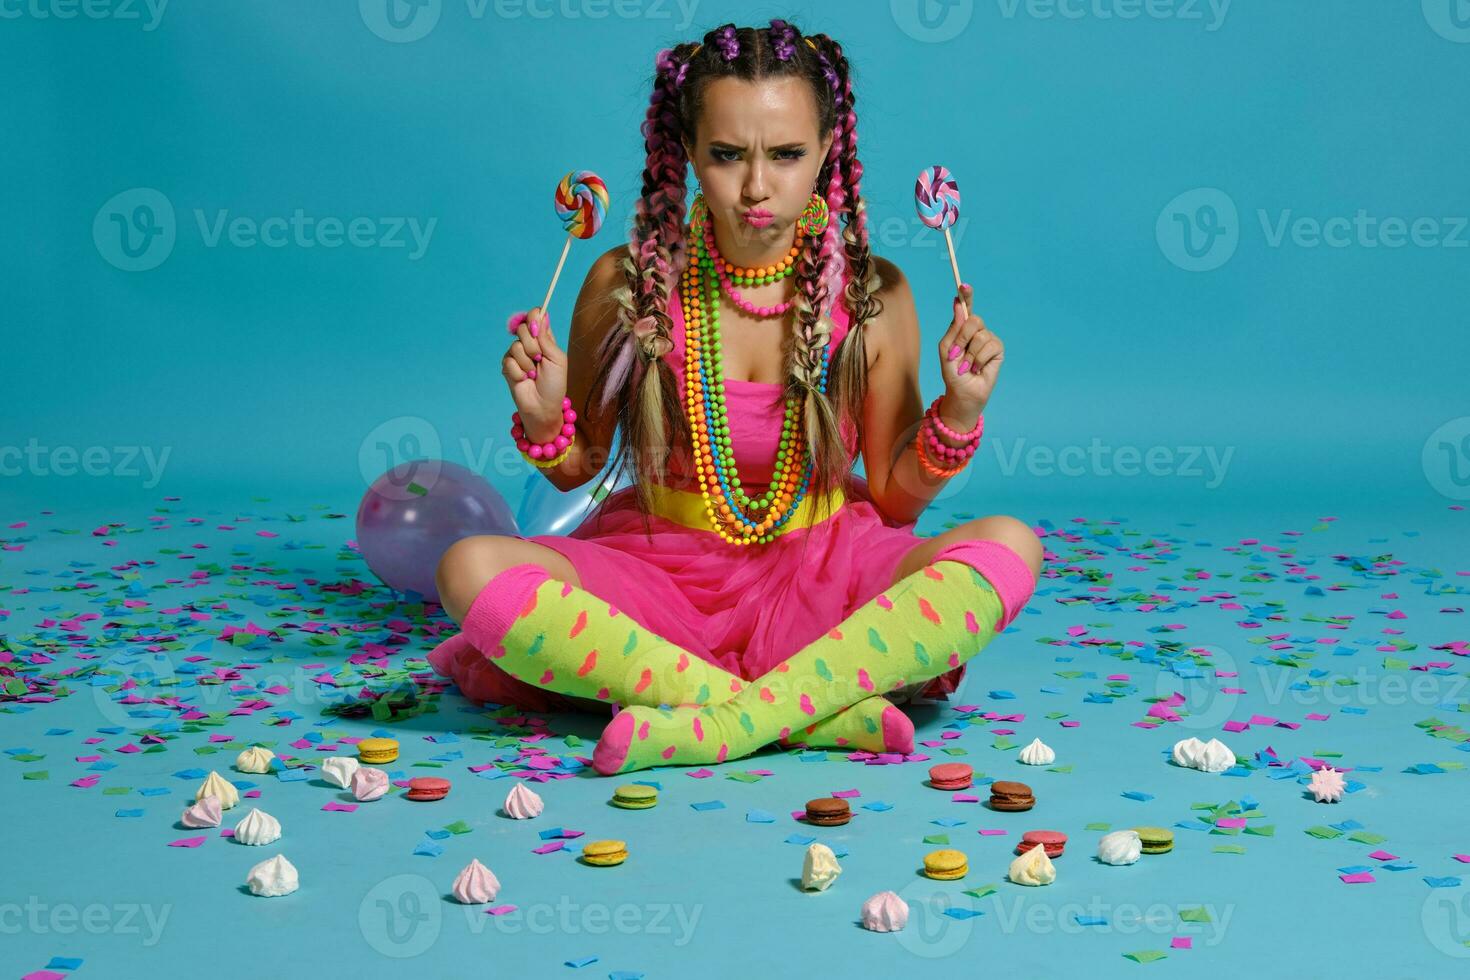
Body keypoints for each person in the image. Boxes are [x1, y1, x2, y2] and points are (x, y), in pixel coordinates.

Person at [428, 20, 1043, 775]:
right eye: (726, 155)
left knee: (1010, 544)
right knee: (469, 569)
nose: (756, 187)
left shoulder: (874, 295)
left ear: (827, 151)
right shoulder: (627, 283)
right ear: (687, 152)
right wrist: (541, 414)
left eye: (786, 155)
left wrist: (960, 411)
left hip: (827, 570)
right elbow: (576, 470)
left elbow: (896, 496)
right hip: (659, 572)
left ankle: (711, 721)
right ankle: (805, 712)